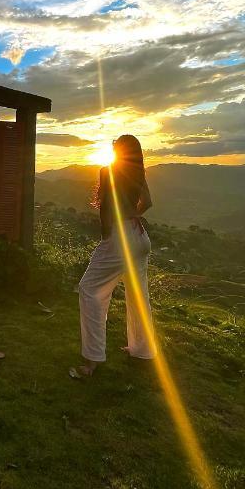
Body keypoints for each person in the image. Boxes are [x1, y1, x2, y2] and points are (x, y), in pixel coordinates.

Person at [76, 134, 157, 375]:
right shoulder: (139, 173)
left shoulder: (106, 170)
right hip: (140, 236)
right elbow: (149, 202)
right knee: (139, 295)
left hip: (120, 236)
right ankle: (142, 351)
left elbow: (105, 209)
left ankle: (92, 359)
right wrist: (133, 213)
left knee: (89, 289)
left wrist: (107, 235)